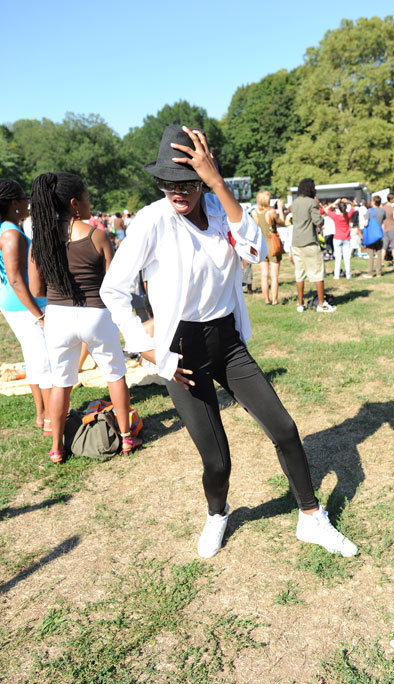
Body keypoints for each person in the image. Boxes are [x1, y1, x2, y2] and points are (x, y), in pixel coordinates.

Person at [100, 125, 356, 559]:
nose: (176, 192)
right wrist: (146, 349)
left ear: (204, 177)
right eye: (166, 183)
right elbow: (114, 291)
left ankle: (311, 518)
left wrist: (218, 184)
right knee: (217, 459)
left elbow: (254, 252)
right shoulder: (152, 221)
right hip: (181, 348)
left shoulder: (220, 207)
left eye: (186, 182)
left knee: (286, 430)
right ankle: (217, 514)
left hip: (227, 339)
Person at [28, 172, 141, 463]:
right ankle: (127, 438)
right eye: (88, 199)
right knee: (115, 374)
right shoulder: (97, 235)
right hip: (96, 314)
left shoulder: (40, 241)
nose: (91, 204)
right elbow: (114, 282)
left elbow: (36, 288)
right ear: (75, 203)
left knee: (61, 382)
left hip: (57, 317)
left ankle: (56, 447)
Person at [0, 179, 51, 433]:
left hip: (16, 305)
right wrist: (39, 314)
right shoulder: (10, 232)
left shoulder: (7, 229)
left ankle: (42, 414)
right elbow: (16, 278)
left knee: (34, 360)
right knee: (44, 362)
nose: (27, 202)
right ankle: (51, 417)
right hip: (24, 307)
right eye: (23, 197)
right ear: (13, 203)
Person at [291, 179, 336, 313]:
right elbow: (318, 221)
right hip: (310, 242)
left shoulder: (294, 202)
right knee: (318, 273)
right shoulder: (311, 202)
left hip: (296, 242)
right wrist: (318, 205)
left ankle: (300, 304)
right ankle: (321, 304)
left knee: (299, 274)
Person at [251, 191, 285, 305]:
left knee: (264, 275)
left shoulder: (254, 213)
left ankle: (267, 300)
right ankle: (275, 300)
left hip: (261, 244)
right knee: (274, 275)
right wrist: (280, 209)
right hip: (272, 244)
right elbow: (283, 222)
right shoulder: (271, 212)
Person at [327, 199, 355, 279]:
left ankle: (336, 275)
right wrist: (348, 201)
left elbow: (326, 209)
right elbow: (353, 206)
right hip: (346, 238)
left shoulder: (336, 216)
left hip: (337, 238)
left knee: (338, 258)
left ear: (338, 208)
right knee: (347, 258)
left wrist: (334, 202)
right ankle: (348, 275)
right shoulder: (348, 215)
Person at [362, 195, 385, 278]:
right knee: (379, 253)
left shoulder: (369, 211)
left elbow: (366, 223)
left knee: (371, 254)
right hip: (379, 235)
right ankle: (379, 272)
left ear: (374, 202)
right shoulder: (382, 211)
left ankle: (370, 272)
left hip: (371, 235)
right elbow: (382, 222)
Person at [382, 193, 394, 268]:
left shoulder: (383, 208)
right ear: (391, 199)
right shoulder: (393, 209)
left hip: (384, 229)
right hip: (392, 229)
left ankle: (381, 262)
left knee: (384, 247)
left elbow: (381, 220)